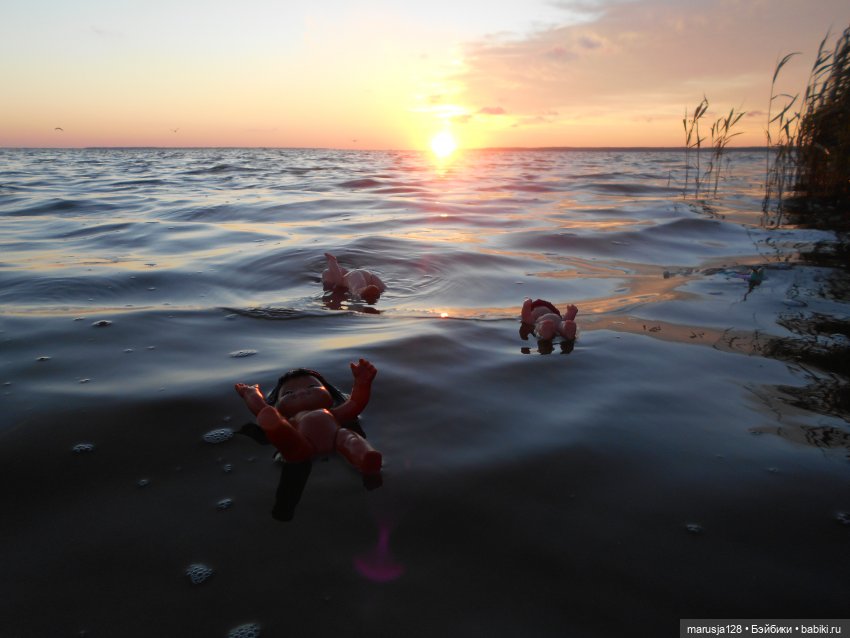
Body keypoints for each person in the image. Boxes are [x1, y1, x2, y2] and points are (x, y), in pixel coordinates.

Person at [235, 359, 382, 475]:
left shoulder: (334, 414)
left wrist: (362, 383)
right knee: (290, 440)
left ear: (330, 394)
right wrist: (250, 393)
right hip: (301, 442)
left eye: (312, 387)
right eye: (288, 393)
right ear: (278, 405)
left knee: (350, 438)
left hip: (337, 436)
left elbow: (355, 403)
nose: (301, 392)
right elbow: (261, 408)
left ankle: (364, 457)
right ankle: (277, 428)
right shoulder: (291, 420)